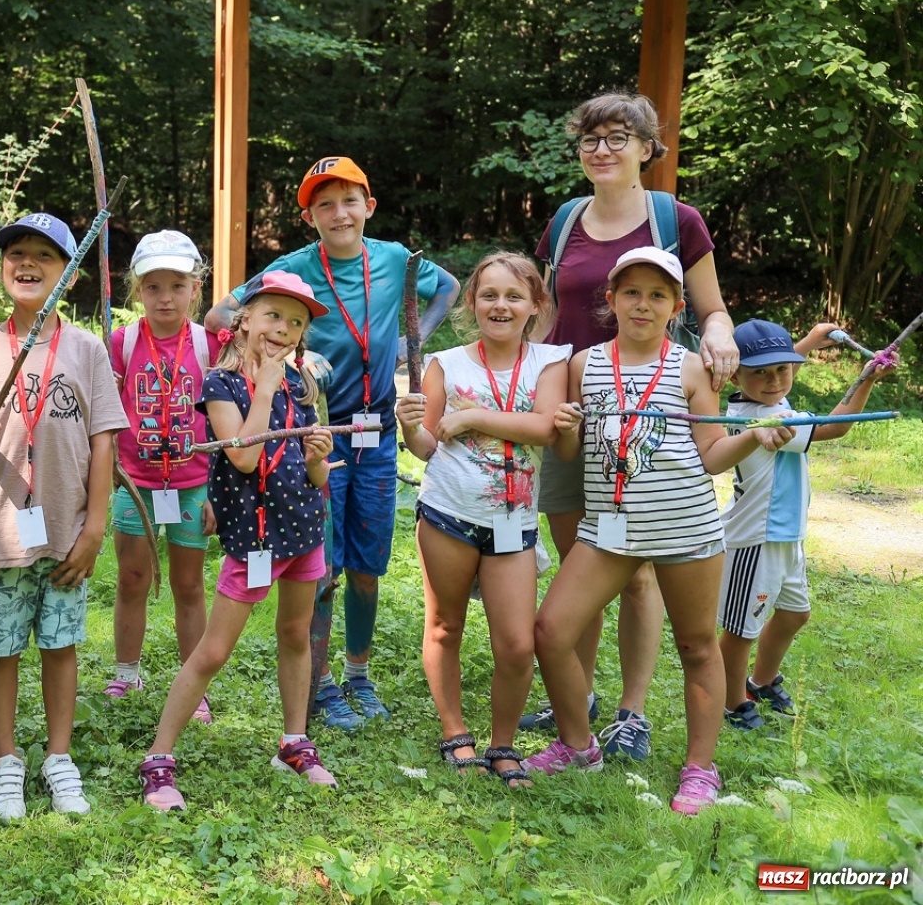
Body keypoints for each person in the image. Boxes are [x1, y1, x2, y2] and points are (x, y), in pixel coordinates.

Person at [526, 92, 741, 760]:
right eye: (591, 138)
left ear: (648, 147)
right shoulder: (565, 221)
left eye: (618, 137)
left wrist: (722, 338)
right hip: (576, 404)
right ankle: (580, 702)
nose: (602, 149)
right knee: (582, 559)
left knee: (642, 571)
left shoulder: (675, 218)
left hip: (653, 409)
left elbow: (711, 310)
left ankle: (633, 710)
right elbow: (542, 317)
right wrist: (523, 387)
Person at [207, 156, 458, 729]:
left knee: (368, 563)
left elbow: (448, 286)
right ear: (309, 216)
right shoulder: (295, 266)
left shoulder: (396, 258)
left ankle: (359, 675)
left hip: (379, 427)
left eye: (349, 200)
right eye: (325, 204)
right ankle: (319, 682)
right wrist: (294, 356)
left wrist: (410, 342)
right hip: (315, 430)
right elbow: (221, 312)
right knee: (323, 564)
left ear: (369, 207)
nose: (338, 213)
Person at [525, 247, 769, 815]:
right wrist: (563, 429)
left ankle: (700, 769)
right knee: (551, 631)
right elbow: (568, 449)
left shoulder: (690, 367)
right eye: (631, 292)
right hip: (607, 531)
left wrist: (755, 436)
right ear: (610, 300)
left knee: (696, 645)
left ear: (677, 307)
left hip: (686, 529)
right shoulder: (581, 365)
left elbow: (710, 455)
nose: (643, 304)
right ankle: (578, 746)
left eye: (658, 295)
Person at [0, 213, 128, 820]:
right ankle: (5, 761)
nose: (27, 264)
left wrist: (95, 527)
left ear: (70, 276)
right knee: (0, 648)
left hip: (67, 532)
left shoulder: (86, 349)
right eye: (16, 254)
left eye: (44, 257)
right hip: (2, 530)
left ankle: (58, 757)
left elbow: (104, 439)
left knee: (60, 645)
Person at [139, 272, 337, 811]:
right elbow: (245, 456)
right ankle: (158, 759)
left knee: (296, 634)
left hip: (304, 531)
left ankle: (294, 743)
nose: (284, 329)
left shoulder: (301, 386)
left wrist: (317, 454)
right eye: (273, 316)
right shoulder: (220, 386)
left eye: (296, 323)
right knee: (213, 651)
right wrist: (266, 385)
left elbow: (316, 475)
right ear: (243, 319)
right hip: (253, 539)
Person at [394, 253, 570, 787]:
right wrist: (408, 427)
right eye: (489, 295)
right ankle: (455, 730)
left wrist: (469, 416)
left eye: (514, 296)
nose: (501, 305)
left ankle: (504, 741)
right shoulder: (446, 362)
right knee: (445, 625)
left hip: (513, 523)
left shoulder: (551, 359)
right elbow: (427, 445)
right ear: (471, 304)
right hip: (449, 511)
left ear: (535, 305)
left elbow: (545, 428)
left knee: (516, 644)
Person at [717, 320, 893, 729]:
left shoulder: (766, 400)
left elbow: (773, 372)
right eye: (759, 372)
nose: (775, 379)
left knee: (795, 614)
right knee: (741, 630)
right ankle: (732, 702)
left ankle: (759, 681)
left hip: (786, 534)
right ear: (735, 375)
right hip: (755, 540)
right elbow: (836, 426)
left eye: (783, 368)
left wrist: (810, 341)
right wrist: (866, 378)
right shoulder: (765, 419)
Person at [105, 230, 221, 722]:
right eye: (153, 287)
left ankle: (192, 683)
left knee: (189, 585)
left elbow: (223, 417)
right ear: (137, 291)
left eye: (177, 285)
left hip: (194, 485)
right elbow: (107, 413)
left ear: (196, 288)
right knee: (132, 578)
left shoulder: (211, 344)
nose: (165, 297)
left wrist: (217, 491)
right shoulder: (122, 341)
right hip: (135, 485)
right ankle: (126, 671)